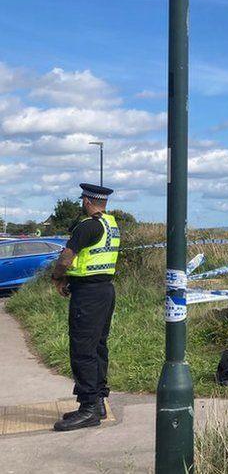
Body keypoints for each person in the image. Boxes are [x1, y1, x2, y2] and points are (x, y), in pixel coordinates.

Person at [50, 183, 121, 431]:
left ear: (86, 201)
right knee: (98, 347)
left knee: (82, 350)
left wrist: (58, 278)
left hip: (88, 295)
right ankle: (98, 401)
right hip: (105, 291)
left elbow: (66, 258)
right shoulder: (110, 225)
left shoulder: (87, 226)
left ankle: (89, 408)